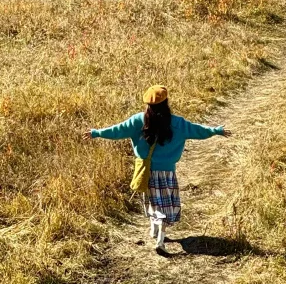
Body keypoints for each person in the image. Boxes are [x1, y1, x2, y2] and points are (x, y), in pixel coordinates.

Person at [90, 86, 228, 253]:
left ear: (147, 104)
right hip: (167, 172)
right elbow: (198, 131)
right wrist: (215, 131)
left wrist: (96, 133)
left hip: (145, 171)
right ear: (166, 103)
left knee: (152, 202)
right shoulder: (178, 123)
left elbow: (116, 131)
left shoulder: (138, 121)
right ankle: (159, 237)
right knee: (164, 204)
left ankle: (154, 230)